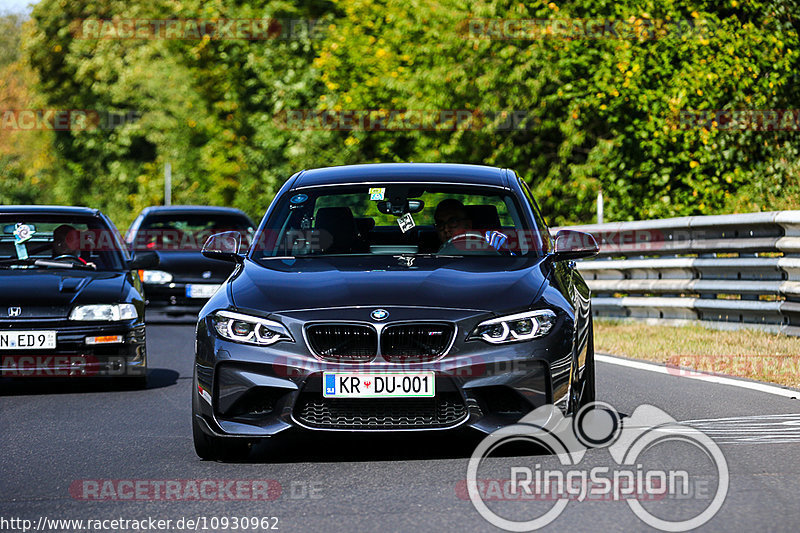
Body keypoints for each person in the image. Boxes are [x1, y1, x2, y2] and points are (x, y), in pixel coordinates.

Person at [433, 199, 512, 254]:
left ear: (468, 225)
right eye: (440, 224)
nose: (446, 229)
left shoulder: (494, 242)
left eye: (453, 222)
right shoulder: (426, 258)